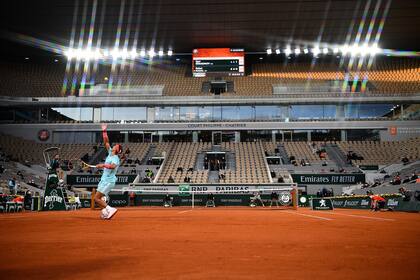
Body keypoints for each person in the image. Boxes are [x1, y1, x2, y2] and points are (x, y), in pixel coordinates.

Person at [94, 124, 123, 220]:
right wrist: (104, 131)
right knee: (99, 198)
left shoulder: (115, 158)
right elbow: (106, 141)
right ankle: (105, 212)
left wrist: (103, 165)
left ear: (118, 150)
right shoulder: (110, 153)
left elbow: (113, 166)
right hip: (104, 180)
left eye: (116, 146)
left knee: (96, 198)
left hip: (109, 181)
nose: (114, 145)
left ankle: (110, 209)